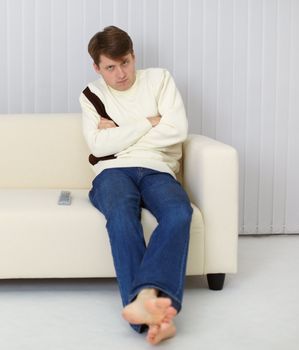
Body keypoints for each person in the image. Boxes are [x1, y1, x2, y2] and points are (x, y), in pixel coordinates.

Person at [79, 26, 193, 345]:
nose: (120, 74)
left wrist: (119, 134)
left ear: (134, 56)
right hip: (113, 171)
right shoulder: (91, 94)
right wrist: (149, 121)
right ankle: (153, 316)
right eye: (110, 67)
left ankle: (145, 298)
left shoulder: (159, 79)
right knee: (121, 215)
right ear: (97, 67)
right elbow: (99, 147)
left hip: (158, 168)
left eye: (125, 62)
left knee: (179, 213)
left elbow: (177, 129)